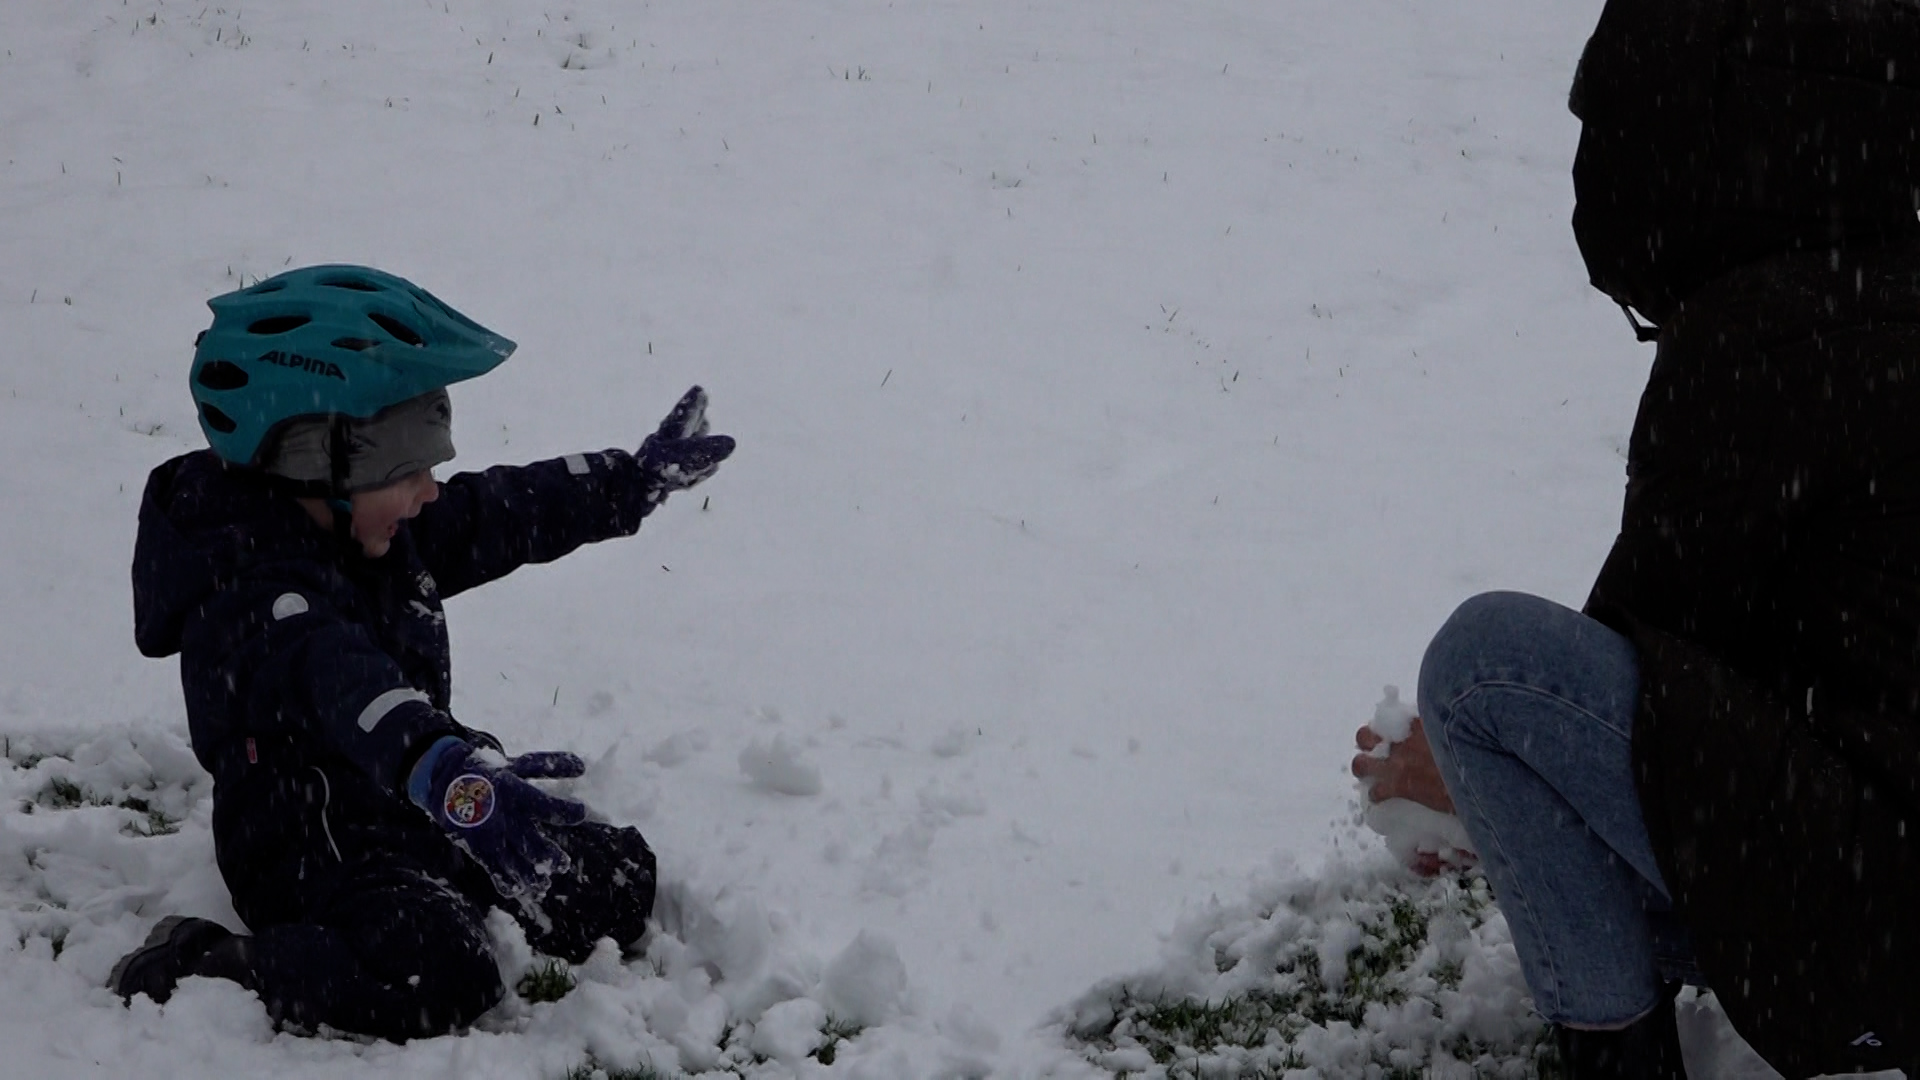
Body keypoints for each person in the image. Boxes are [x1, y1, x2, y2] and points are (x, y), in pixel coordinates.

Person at [1354, 2, 1920, 1077]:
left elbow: (1645, 658)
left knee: (1483, 673)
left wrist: (1458, 768)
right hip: (1877, 896)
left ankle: (1620, 1063)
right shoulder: (1884, 299)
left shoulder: (1764, 337)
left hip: (1873, 940)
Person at [114, 265, 735, 1041]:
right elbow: (340, 678)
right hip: (316, 845)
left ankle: (465, 825)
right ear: (317, 456)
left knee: (610, 885)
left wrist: (625, 482)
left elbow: (495, 513)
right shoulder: (252, 593)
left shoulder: (367, 531)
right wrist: (444, 767)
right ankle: (211, 960)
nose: (430, 491)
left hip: (413, 791)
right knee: (440, 973)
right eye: (409, 470)